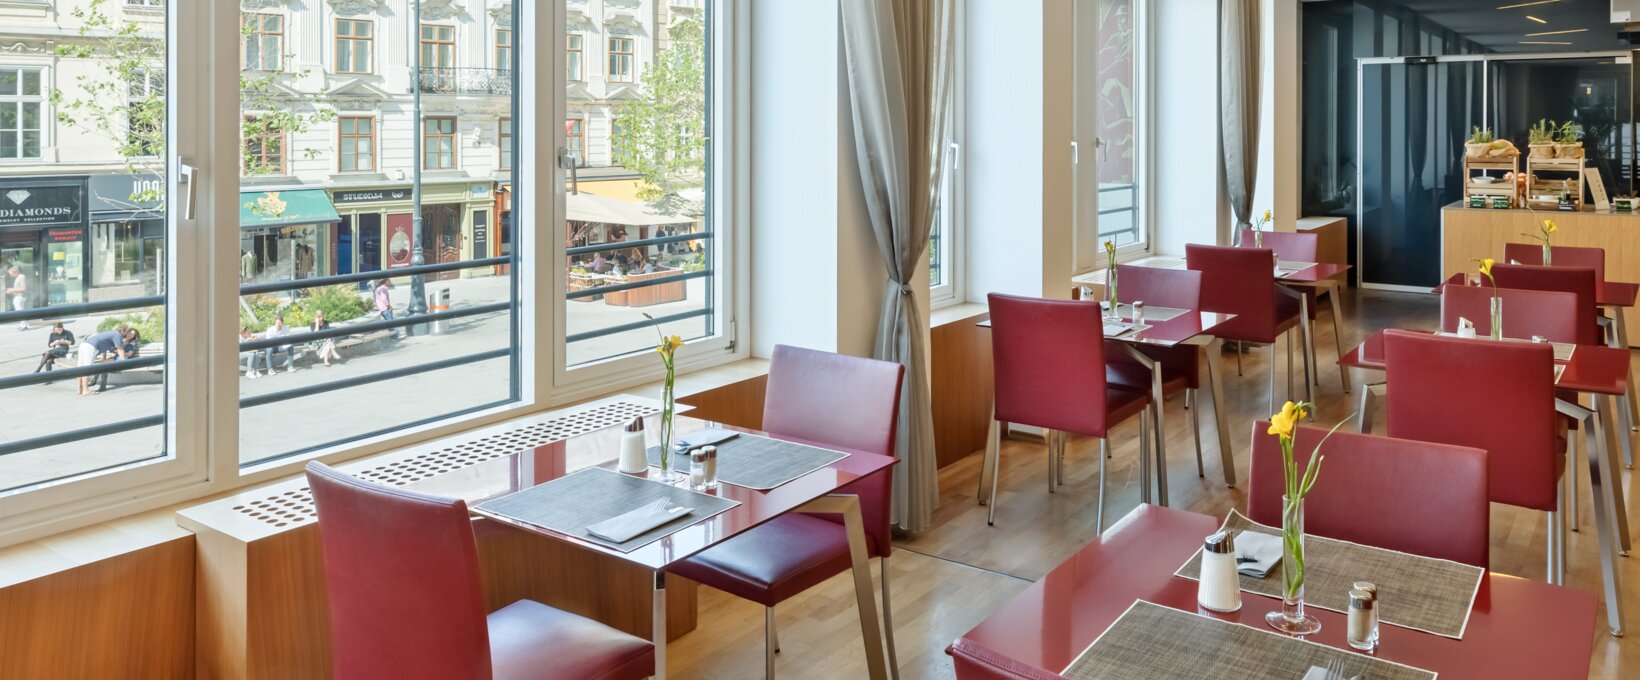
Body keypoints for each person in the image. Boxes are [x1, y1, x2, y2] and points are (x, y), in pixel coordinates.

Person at [76, 324, 128, 396]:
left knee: (80, 368)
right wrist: (124, 362)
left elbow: (105, 348)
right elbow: (120, 349)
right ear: (123, 331)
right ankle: (85, 390)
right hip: (90, 347)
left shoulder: (110, 333)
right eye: (126, 332)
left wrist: (104, 359)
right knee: (86, 369)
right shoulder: (117, 335)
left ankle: (79, 389)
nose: (125, 334)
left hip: (83, 345)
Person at [5, 265, 27, 330]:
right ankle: (23, 325)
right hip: (18, 296)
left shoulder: (22, 277)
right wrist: (11, 289)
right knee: (20, 311)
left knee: (20, 312)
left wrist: (12, 290)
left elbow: (24, 289)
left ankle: (24, 326)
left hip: (20, 297)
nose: (11, 275)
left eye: (11, 274)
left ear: (15, 272)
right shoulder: (19, 277)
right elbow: (19, 288)